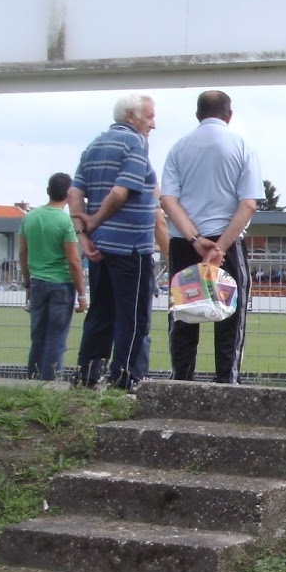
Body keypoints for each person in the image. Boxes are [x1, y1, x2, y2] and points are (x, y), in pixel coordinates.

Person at [160, 90, 262, 384]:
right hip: (225, 241)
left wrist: (194, 238)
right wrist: (222, 246)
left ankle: (181, 379)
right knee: (231, 312)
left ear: (197, 115)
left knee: (183, 312)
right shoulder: (242, 146)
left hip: (185, 241)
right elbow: (248, 203)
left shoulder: (179, 148)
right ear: (229, 115)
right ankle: (227, 381)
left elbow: (168, 199)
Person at [70, 93, 159, 391]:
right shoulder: (135, 144)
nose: (153, 124)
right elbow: (122, 192)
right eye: (149, 117)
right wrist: (94, 222)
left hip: (99, 247)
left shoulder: (94, 144)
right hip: (130, 245)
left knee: (100, 313)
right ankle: (126, 379)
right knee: (133, 317)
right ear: (132, 116)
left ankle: (87, 375)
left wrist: (85, 234)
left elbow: (74, 192)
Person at [17, 171, 88, 380]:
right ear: (69, 194)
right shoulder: (66, 222)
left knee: (37, 338)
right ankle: (50, 384)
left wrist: (28, 284)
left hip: (37, 283)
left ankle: (32, 381)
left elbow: (23, 254)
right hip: (62, 285)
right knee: (56, 339)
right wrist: (82, 294)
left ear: (48, 191)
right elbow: (74, 261)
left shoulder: (29, 218)